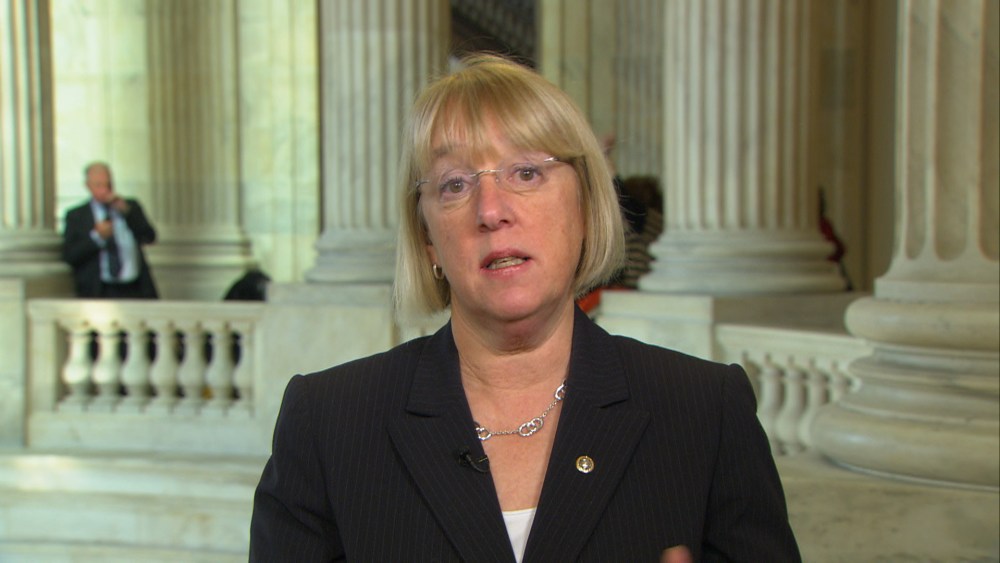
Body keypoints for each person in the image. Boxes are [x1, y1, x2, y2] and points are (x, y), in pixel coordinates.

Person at [250, 54, 801, 562]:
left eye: (526, 172)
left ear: (584, 206)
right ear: (428, 240)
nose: (491, 210)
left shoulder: (705, 413)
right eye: (455, 184)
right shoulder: (327, 424)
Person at [62, 162, 159, 299]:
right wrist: (97, 237)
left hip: (135, 287)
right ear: (88, 186)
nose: (105, 190)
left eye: (108, 184)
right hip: (100, 289)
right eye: (99, 185)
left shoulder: (130, 207)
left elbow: (149, 237)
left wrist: (128, 213)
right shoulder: (77, 216)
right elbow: (71, 255)